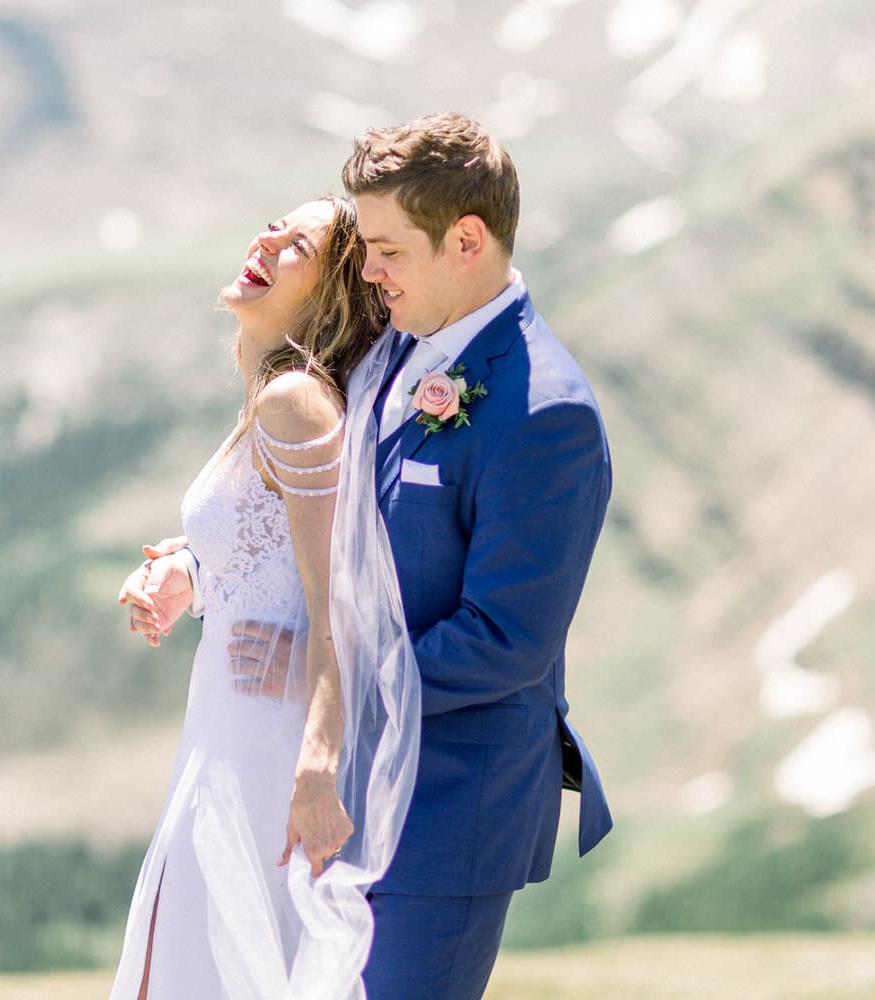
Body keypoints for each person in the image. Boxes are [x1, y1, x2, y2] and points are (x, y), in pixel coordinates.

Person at [128, 113, 614, 999]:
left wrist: (328, 687)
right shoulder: (392, 348)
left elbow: (504, 641)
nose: (367, 268)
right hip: (335, 795)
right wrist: (202, 572)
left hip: (445, 811)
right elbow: (309, 528)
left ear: (465, 240)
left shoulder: (547, 413)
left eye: (386, 247)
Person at [109, 195, 422, 1000]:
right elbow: (272, 552)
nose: (267, 240)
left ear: (327, 297)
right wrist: (191, 575)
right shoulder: (271, 400)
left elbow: (337, 600)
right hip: (223, 730)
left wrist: (316, 763)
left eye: (298, 246)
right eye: (273, 226)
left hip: (263, 749)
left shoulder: (295, 404)